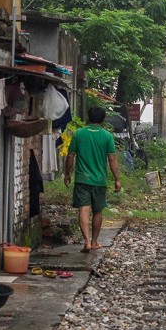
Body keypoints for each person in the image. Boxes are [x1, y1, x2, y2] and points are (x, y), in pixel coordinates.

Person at [64, 106, 121, 253]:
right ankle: (95, 242)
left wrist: (67, 173)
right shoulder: (107, 136)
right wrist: (117, 179)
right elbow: (112, 159)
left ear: (88, 117)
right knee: (97, 210)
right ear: (102, 120)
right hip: (99, 180)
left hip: (82, 179)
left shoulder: (78, 134)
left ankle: (87, 242)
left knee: (83, 209)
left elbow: (70, 156)